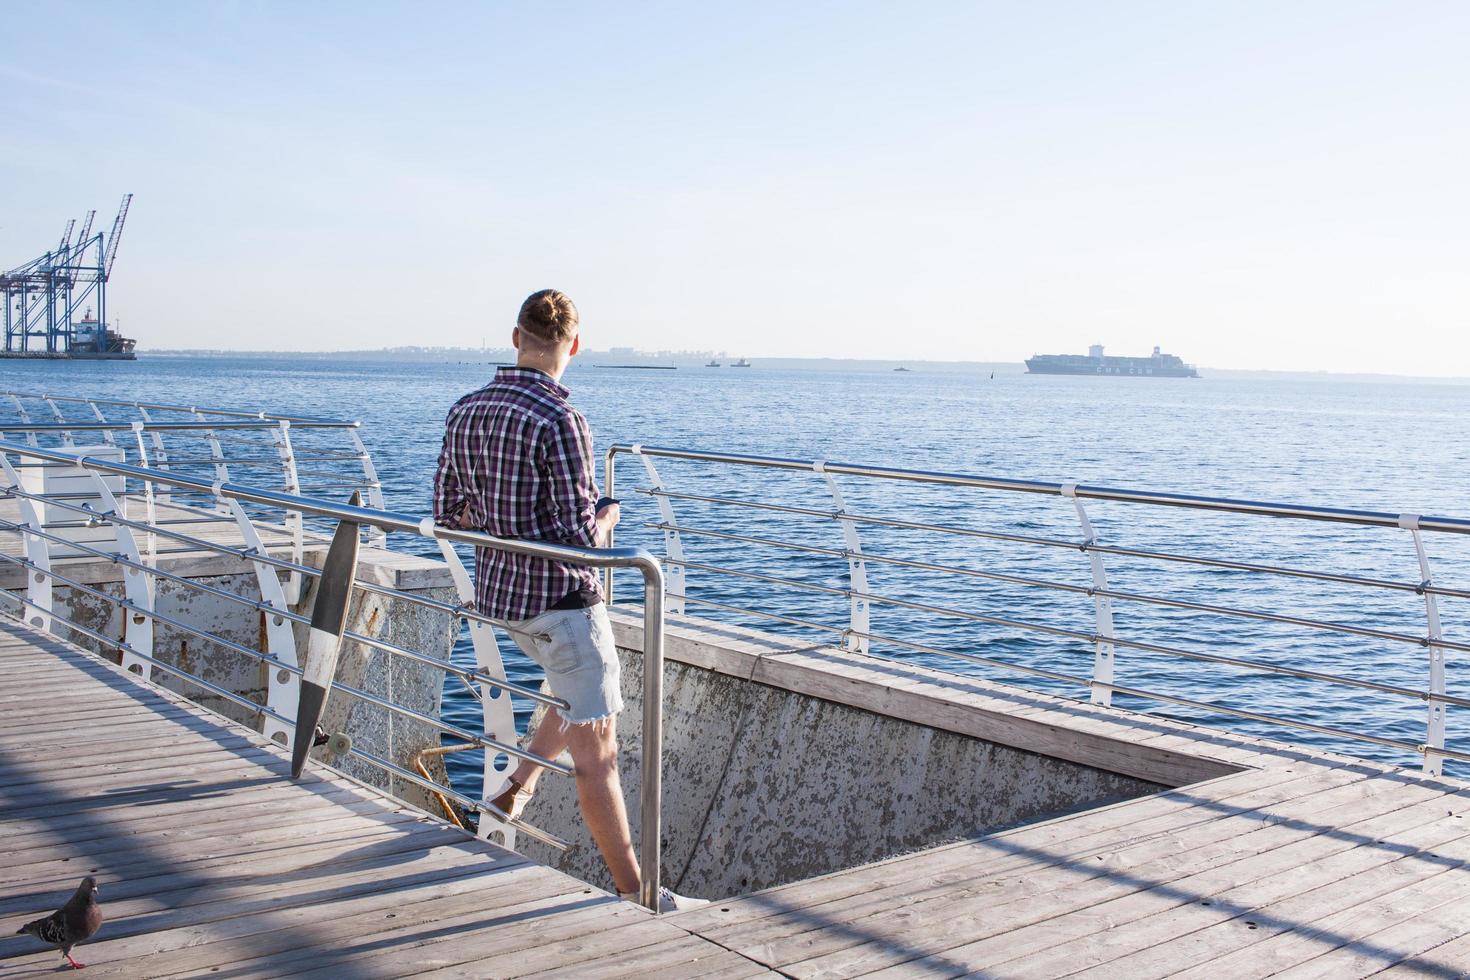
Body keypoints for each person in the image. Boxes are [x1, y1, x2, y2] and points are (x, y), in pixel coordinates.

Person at [433, 289, 706, 913]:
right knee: (599, 753)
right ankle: (639, 894)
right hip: (561, 602)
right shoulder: (562, 419)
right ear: (574, 345)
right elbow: (581, 539)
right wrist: (606, 520)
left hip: (503, 597)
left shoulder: (465, 411)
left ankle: (512, 791)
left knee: (576, 695)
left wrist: (503, 520)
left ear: (515, 337)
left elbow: (447, 515)